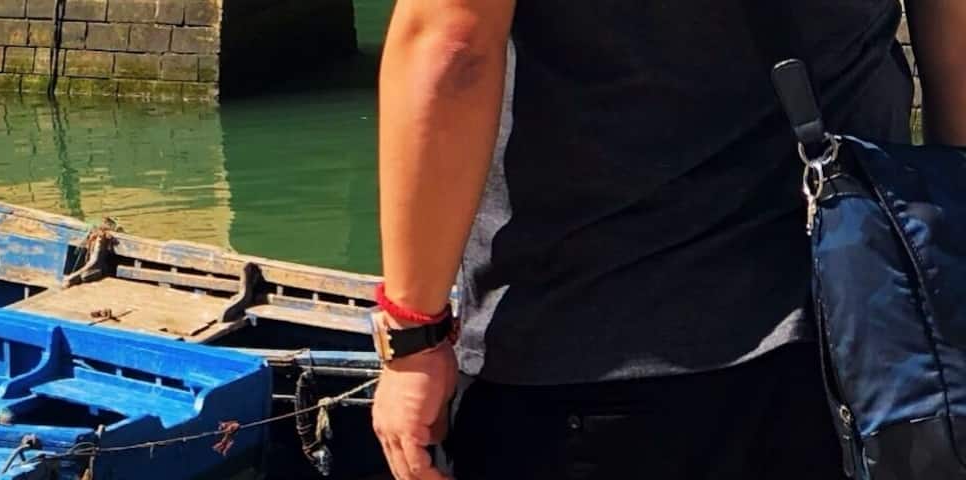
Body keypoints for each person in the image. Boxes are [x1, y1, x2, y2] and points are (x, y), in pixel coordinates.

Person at [368, 0, 964, 478]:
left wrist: (413, 338)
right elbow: (956, 54)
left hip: (590, 344)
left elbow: (453, 51)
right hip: (861, 339)